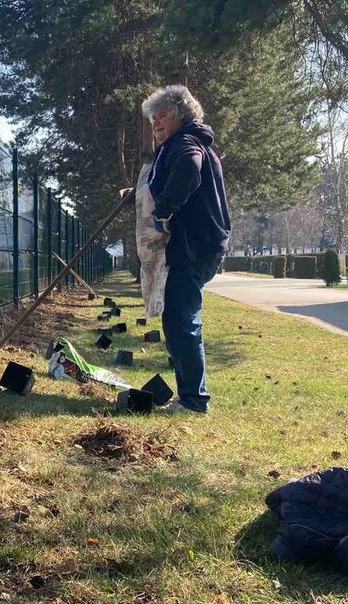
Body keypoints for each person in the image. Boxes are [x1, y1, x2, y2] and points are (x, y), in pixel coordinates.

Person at [141, 85, 230, 413]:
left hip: (196, 245)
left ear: (180, 115)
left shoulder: (186, 144)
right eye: (152, 118)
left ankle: (193, 401)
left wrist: (163, 209)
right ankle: (191, 396)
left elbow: (189, 170)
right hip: (199, 243)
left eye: (161, 115)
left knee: (181, 317)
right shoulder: (185, 142)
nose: (155, 122)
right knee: (178, 317)